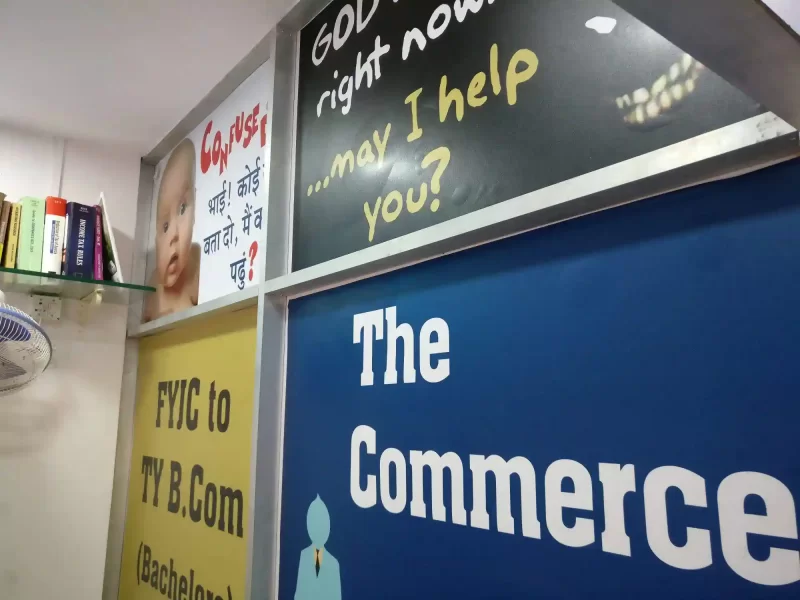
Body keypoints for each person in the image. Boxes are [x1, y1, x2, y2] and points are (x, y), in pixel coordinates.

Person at [143, 138, 200, 322]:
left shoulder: (195, 265)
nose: (174, 235)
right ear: (156, 242)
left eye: (182, 209)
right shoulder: (152, 286)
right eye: (165, 227)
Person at [295, 496, 342, 600]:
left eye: (322, 522)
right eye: (314, 521)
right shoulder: (304, 556)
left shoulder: (334, 563)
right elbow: (299, 594)